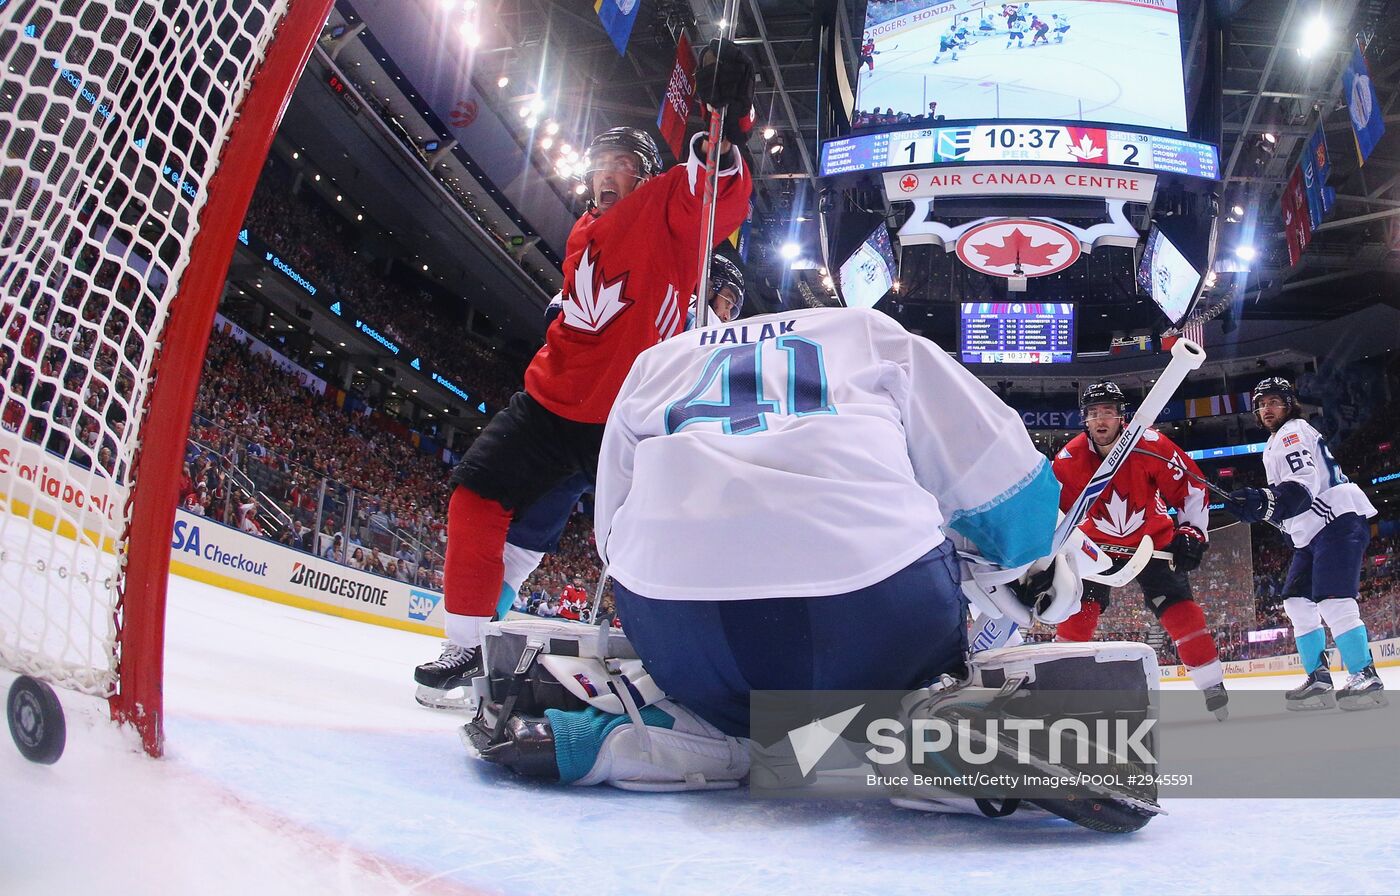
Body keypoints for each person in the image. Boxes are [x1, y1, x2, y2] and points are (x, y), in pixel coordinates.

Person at [468, 306, 1089, 801]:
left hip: (680, 637)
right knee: (938, 554)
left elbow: (613, 535)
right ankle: (924, 716)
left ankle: (697, 732)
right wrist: (1033, 562)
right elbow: (1002, 478)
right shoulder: (868, 332)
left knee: (716, 684)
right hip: (869, 622)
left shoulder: (655, 362)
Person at [412, 40, 756, 698]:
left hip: (624, 419)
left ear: (647, 175)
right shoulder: (581, 231)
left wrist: (725, 130)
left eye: (622, 164)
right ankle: (469, 646)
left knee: (648, 545)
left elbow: (712, 194)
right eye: (599, 164)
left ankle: (697, 673)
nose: (605, 174)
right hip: (550, 406)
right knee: (478, 498)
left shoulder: (665, 211)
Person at [1052, 381, 1228, 719]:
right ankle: (1060, 689)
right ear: (1084, 419)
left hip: (1151, 542)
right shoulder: (1068, 459)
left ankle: (1211, 684)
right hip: (1095, 549)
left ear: (1122, 416)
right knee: (1077, 613)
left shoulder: (1150, 444)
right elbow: (1052, 513)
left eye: (1107, 411)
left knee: (1180, 611)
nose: (1100, 420)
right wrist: (1053, 550)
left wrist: (1192, 530)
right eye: (1093, 413)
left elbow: (1190, 485)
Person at [1227, 377, 1385, 710]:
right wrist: (1263, 507)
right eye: (1262, 404)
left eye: (1274, 402)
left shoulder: (1292, 432)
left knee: (1332, 599)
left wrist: (1264, 500)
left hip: (1336, 519)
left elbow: (1302, 487)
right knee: (1297, 602)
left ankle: (1365, 674)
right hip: (1315, 530)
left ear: (1289, 404)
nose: (1267, 409)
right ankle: (1319, 678)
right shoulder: (1275, 441)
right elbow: (1290, 504)